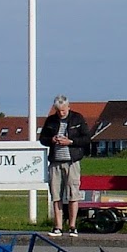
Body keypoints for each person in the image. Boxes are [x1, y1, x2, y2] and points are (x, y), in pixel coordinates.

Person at [37, 95, 90, 236]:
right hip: (55, 162)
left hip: (72, 161)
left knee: (73, 194)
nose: (61, 113)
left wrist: (70, 142)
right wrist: (52, 139)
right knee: (56, 195)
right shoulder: (51, 121)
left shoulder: (77, 119)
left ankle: (72, 226)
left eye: (64, 110)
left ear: (68, 107)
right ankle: (58, 226)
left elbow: (86, 138)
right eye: (59, 110)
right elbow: (42, 139)